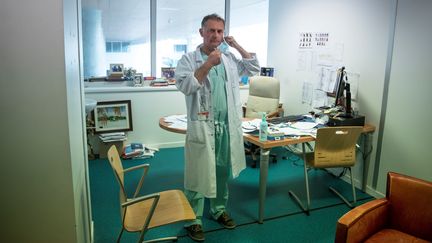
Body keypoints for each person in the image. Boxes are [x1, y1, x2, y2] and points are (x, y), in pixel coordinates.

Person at [175, 13, 260, 242]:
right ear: (201, 32)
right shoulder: (188, 59)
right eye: (211, 30)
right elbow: (185, 86)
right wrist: (207, 64)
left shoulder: (229, 58)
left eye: (220, 31)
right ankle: (193, 219)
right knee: (196, 175)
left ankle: (218, 210)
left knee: (222, 171)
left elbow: (253, 69)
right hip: (203, 127)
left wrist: (237, 46)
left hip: (227, 127)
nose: (215, 35)